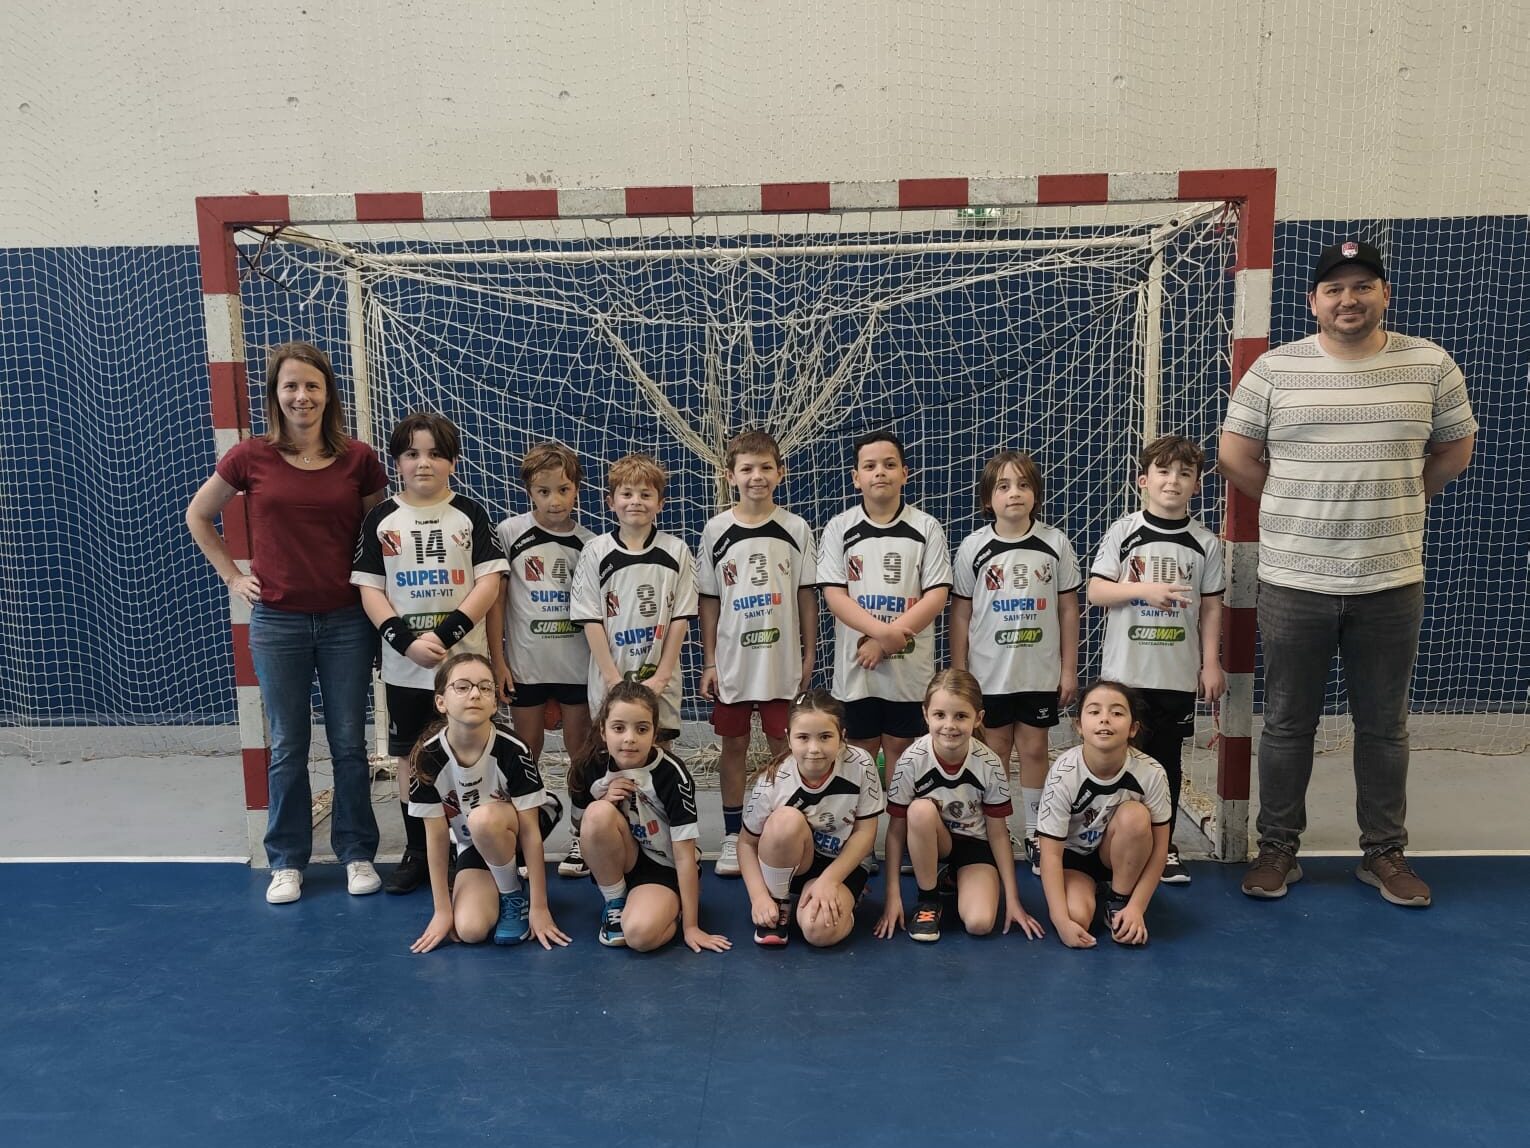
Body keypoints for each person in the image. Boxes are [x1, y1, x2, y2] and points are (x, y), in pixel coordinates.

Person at [1219, 240, 1477, 908]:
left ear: (1385, 293)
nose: (1349, 299)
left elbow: (1456, 446)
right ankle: (1277, 849)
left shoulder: (1431, 365)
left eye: (1363, 286)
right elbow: (1235, 454)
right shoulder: (1274, 369)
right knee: (1286, 724)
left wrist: (1407, 494)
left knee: (1385, 727)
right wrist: (1293, 503)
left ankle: (1383, 852)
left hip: (1390, 582)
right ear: (1313, 302)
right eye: (1334, 289)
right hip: (1293, 582)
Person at [186, 341, 388, 904]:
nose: (302, 396)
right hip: (278, 623)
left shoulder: (359, 459)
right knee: (287, 744)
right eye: (291, 386)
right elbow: (199, 515)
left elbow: (379, 536)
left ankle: (357, 852)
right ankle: (287, 860)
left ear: (328, 393)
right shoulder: (250, 457)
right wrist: (233, 576)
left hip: (347, 621)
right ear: (276, 394)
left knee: (349, 743)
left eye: (312, 385)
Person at [352, 412, 509, 895]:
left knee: (473, 751)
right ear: (397, 462)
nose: (424, 463)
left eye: (436, 454)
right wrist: (406, 641)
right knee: (410, 758)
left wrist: (445, 634)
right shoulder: (381, 518)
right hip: (406, 669)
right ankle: (419, 849)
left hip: (464, 668)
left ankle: (473, 845)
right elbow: (370, 589)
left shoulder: (470, 513)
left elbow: (489, 582)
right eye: (412, 454)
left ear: (453, 462)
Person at [1087, 434, 1225, 884]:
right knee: (1116, 758)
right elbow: (1096, 591)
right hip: (1125, 676)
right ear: (1143, 480)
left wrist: (1210, 663)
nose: (1173, 481)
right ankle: (1108, 840)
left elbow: (1211, 607)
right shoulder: (1124, 532)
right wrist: (1144, 590)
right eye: (1163, 472)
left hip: (1176, 675)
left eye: (1185, 474)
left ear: (1197, 485)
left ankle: (1163, 849)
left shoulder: (1205, 543)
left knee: (1166, 764)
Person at [951, 450, 1081, 876]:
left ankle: (1036, 833)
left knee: (1035, 749)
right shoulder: (974, 547)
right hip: (988, 676)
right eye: (1003, 486)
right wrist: (960, 673)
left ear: (1036, 494)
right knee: (994, 753)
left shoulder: (1054, 543)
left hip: (1037, 674)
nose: (1014, 494)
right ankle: (998, 830)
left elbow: (1068, 610)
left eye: (1024, 485)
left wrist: (1067, 669)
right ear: (988, 499)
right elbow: (961, 614)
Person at [696, 430, 818, 879]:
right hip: (733, 664)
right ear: (730, 476)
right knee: (734, 746)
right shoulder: (716, 530)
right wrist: (710, 660)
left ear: (780, 473)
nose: (757, 476)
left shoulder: (796, 528)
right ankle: (733, 834)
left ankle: (780, 824)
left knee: (783, 746)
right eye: (746, 468)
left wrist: (809, 653)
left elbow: (806, 595)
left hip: (781, 661)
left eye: (766, 467)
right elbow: (709, 600)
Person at [406, 653, 569, 952]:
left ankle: (513, 895)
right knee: (470, 930)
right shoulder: (427, 758)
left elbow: (530, 831)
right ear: (441, 702)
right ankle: (501, 880)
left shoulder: (513, 749)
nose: (474, 694)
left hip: (518, 830)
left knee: (481, 819)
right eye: (462, 687)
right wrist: (442, 911)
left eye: (484, 687)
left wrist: (539, 907)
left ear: (494, 703)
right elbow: (437, 837)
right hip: (473, 842)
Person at [486, 441, 596, 879]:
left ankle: (581, 836)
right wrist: (498, 661)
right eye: (543, 491)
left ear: (578, 490)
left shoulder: (590, 544)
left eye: (563, 490)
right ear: (529, 491)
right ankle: (523, 837)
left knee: (580, 753)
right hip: (526, 667)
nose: (554, 500)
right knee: (524, 753)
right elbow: (496, 602)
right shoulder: (509, 533)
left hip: (575, 667)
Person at [875, 670, 1045, 944]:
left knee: (980, 924)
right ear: (926, 714)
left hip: (975, 845)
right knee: (919, 811)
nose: (949, 725)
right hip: (934, 841)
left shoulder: (989, 764)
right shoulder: (911, 761)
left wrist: (1013, 899)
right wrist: (892, 897)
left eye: (961, 716)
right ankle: (928, 900)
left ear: (978, 718)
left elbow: (998, 834)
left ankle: (953, 877)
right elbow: (895, 832)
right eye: (940, 715)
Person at [819, 430, 952, 776]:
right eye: (870, 466)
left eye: (889, 465)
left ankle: (897, 814)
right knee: (858, 752)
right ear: (856, 478)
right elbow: (835, 595)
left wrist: (885, 641)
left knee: (902, 749)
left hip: (909, 671)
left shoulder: (926, 527)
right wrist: (882, 634)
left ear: (904, 474)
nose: (880, 472)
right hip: (857, 670)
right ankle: (862, 814)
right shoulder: (839, 528)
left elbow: (936, 595)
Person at [567, 680, 729, 953]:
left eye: (641, 729)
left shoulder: (671, 775)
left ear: (655, 734)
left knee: (640, 937)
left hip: (663, 866)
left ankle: (670, 907)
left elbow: (684, 854)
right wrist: (604, 800)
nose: (629, 738)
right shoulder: (590, 767)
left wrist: (691, 927)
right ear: (603, 731)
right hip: (622, 858)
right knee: (596, 813)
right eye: (619, 728)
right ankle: (616, 901)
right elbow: (582, 832)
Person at [737, 690, 884, 948]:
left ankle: (848, 897)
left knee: (819, 932)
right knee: (785, 820)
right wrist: (759, 897)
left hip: (843, 862)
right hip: (794, 862)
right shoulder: (773, 781)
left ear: (842, 737)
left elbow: (865, 832)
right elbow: (746, 844)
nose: (814, 749)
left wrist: (830, 880)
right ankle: (779, 900)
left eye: (825, 737)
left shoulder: (860, 764)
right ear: (788, 738)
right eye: (803, 737)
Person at [569, 454, 698, 745]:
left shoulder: (677, 550)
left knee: (658, 753)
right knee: (613, 753)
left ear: (660, 503)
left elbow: (680, 618)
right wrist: (612, 679)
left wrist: (662, 677)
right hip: (610, 676)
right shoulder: (595, 551)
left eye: (645, 495)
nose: (635, 502)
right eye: (626, 494)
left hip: (660, 680)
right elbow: (590, 619)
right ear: (610, 501)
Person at [1036, 680, 1172, 948]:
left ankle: (1118, 898)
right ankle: (1088, 888)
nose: (1105, 719)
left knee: (1135, 816)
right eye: (1094, 711)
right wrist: (1060, 920)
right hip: (1075, 857)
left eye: (1117, 712)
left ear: (1133, 728)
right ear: (1079, 725)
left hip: (1116, 853)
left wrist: (1136, 908)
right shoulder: (1064, 774)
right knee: (1076, 917)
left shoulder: (1151, 772)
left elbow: (1160, 850)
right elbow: (1050, 854)